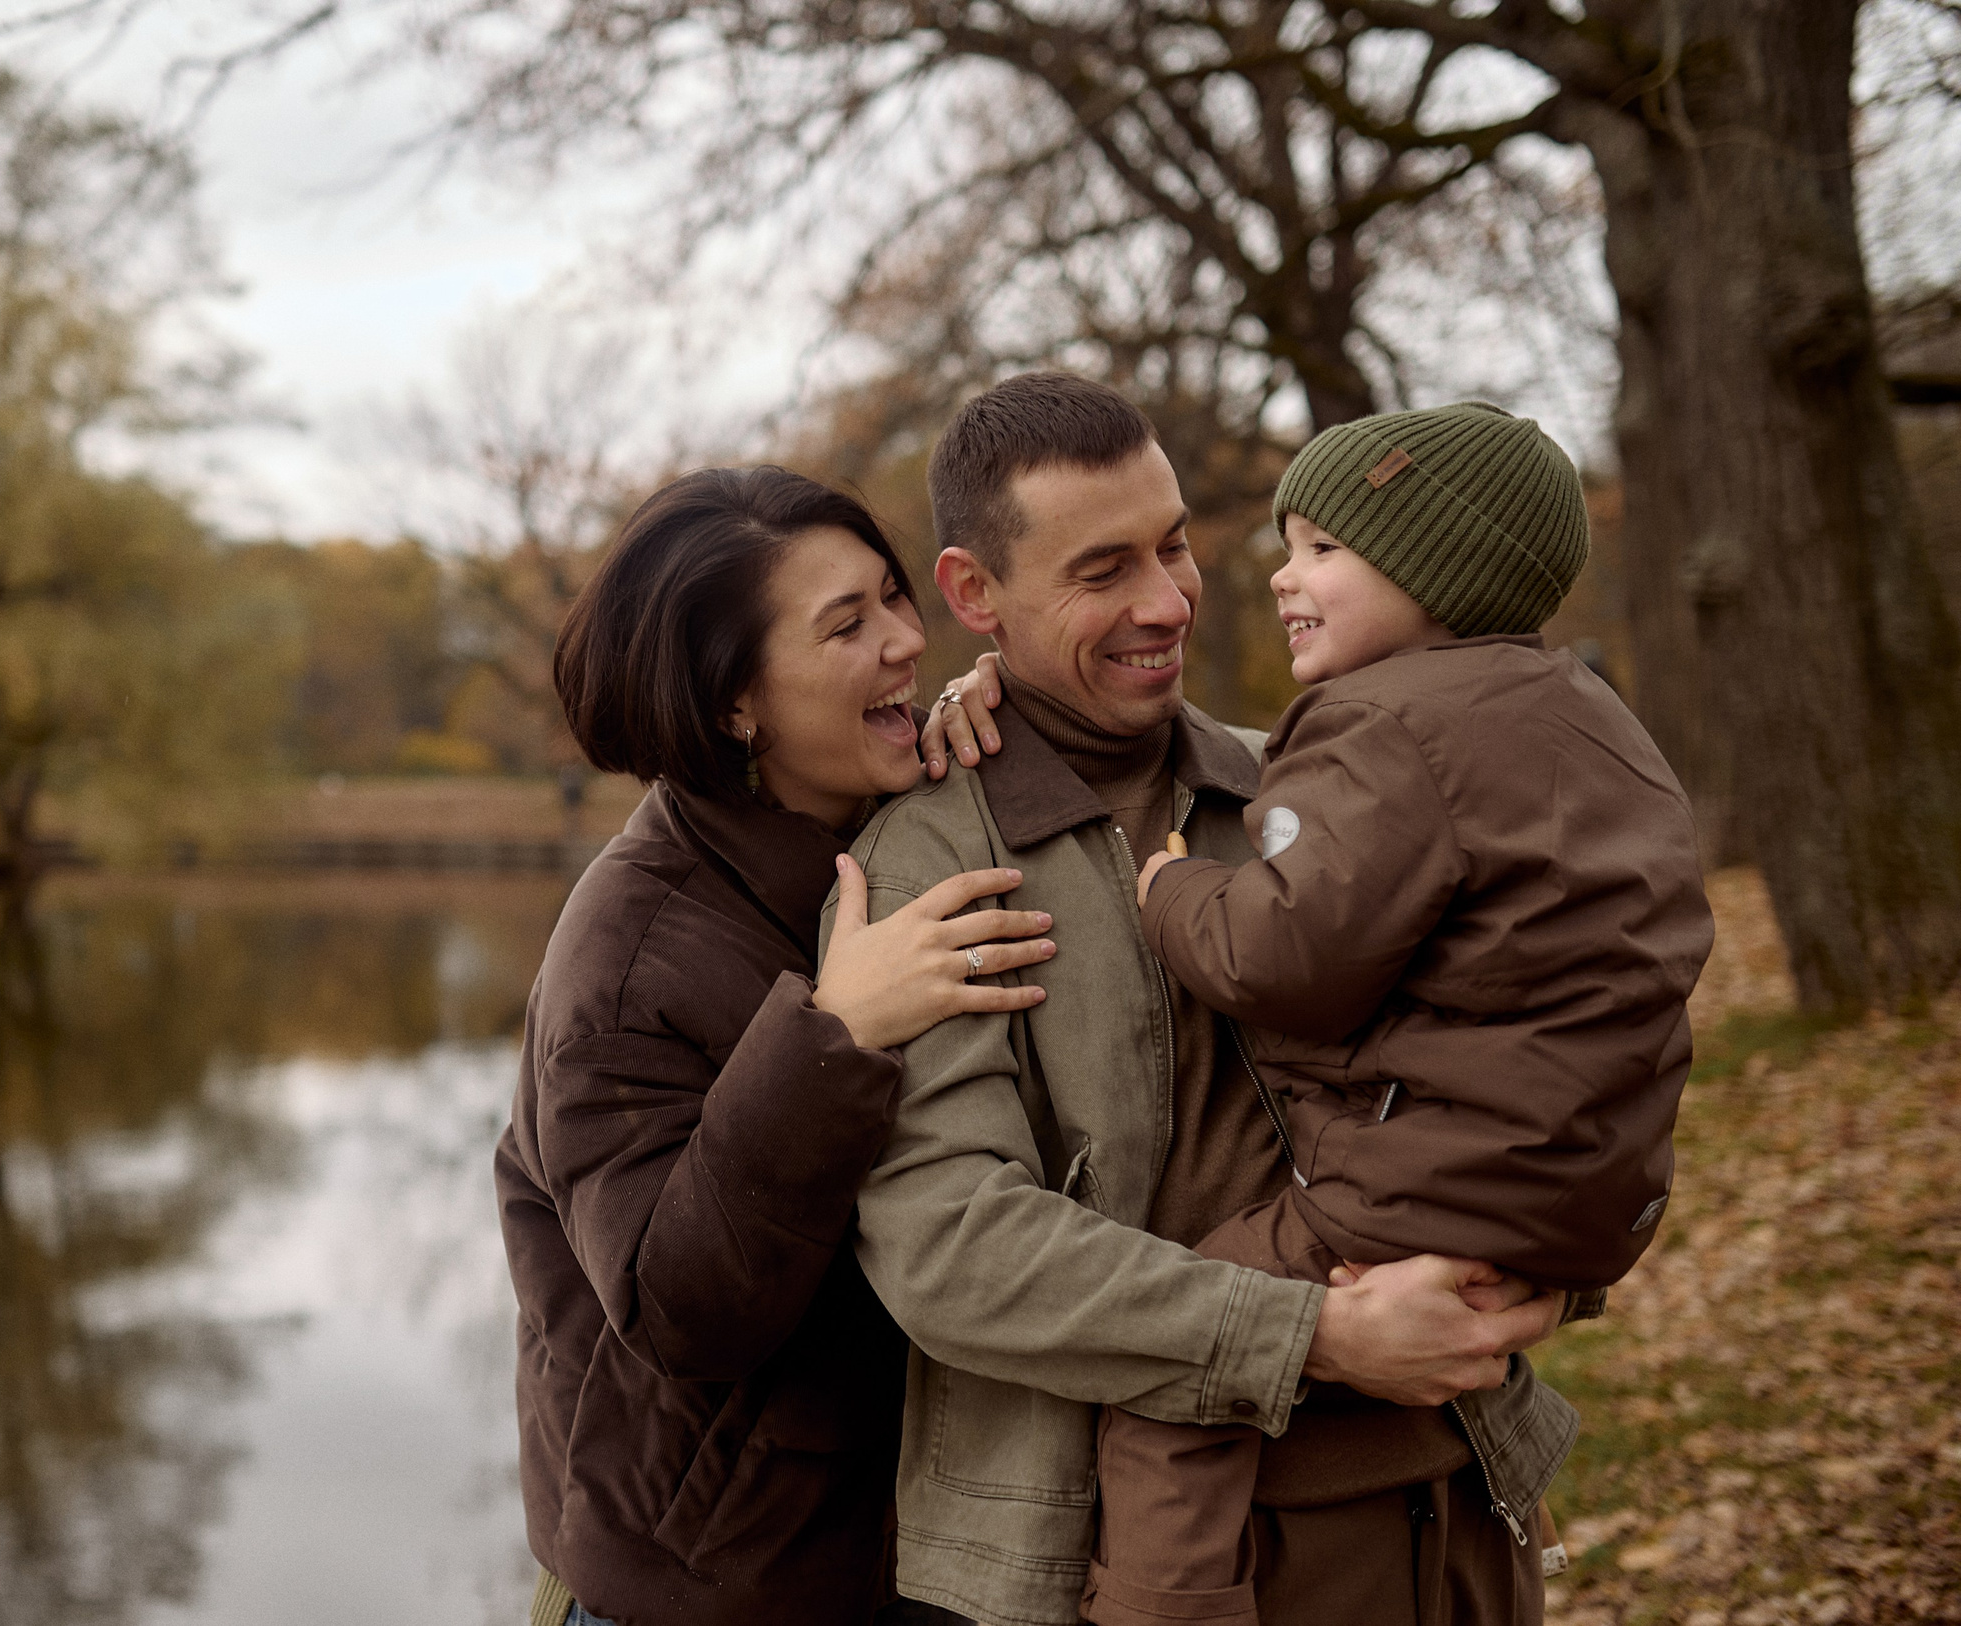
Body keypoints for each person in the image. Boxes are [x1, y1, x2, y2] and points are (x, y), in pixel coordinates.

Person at [830, 373, 1579, 1626]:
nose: (1168, 601)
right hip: (1119, 1566)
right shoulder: (927, 860)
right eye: (1102, 568)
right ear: (974, 595)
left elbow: (1530, 1041)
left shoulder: (1316, 782)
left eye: (1174, 542)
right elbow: (950, 1247)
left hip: (1450, 1506)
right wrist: (1315, 1336)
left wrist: (1547, 1264)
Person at [1087, 402, 1715, 1625]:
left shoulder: (1384, 727)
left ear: (1438, 571)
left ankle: (1161, 1604)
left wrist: (1168, 887)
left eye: (1324, 547)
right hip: (1587, 1177)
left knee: (1181, 1357)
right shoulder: (1589, 716)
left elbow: (1278, 953)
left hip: (1435, 1170)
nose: (1280, 575)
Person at [497, 465, 1045, 1626]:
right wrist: (832, 1034)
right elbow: (679, 1308)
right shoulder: (628, 959)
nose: (907, 638)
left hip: (905, 1560)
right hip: (706, 1592)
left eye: (894, 597)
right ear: (734, 704)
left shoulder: (884, 829)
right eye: (847, 624)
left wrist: (1023, 733)